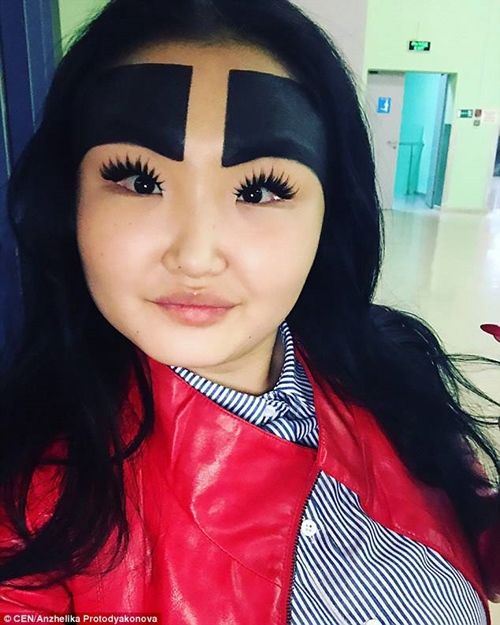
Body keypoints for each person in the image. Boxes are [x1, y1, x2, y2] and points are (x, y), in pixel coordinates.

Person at [0, 0, 499, 622]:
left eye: (260, 190)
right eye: (139, 181)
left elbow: (471, 524)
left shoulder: (394, 365)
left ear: (328, 213)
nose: (196, 256)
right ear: (69, 198)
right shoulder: (29, 512)